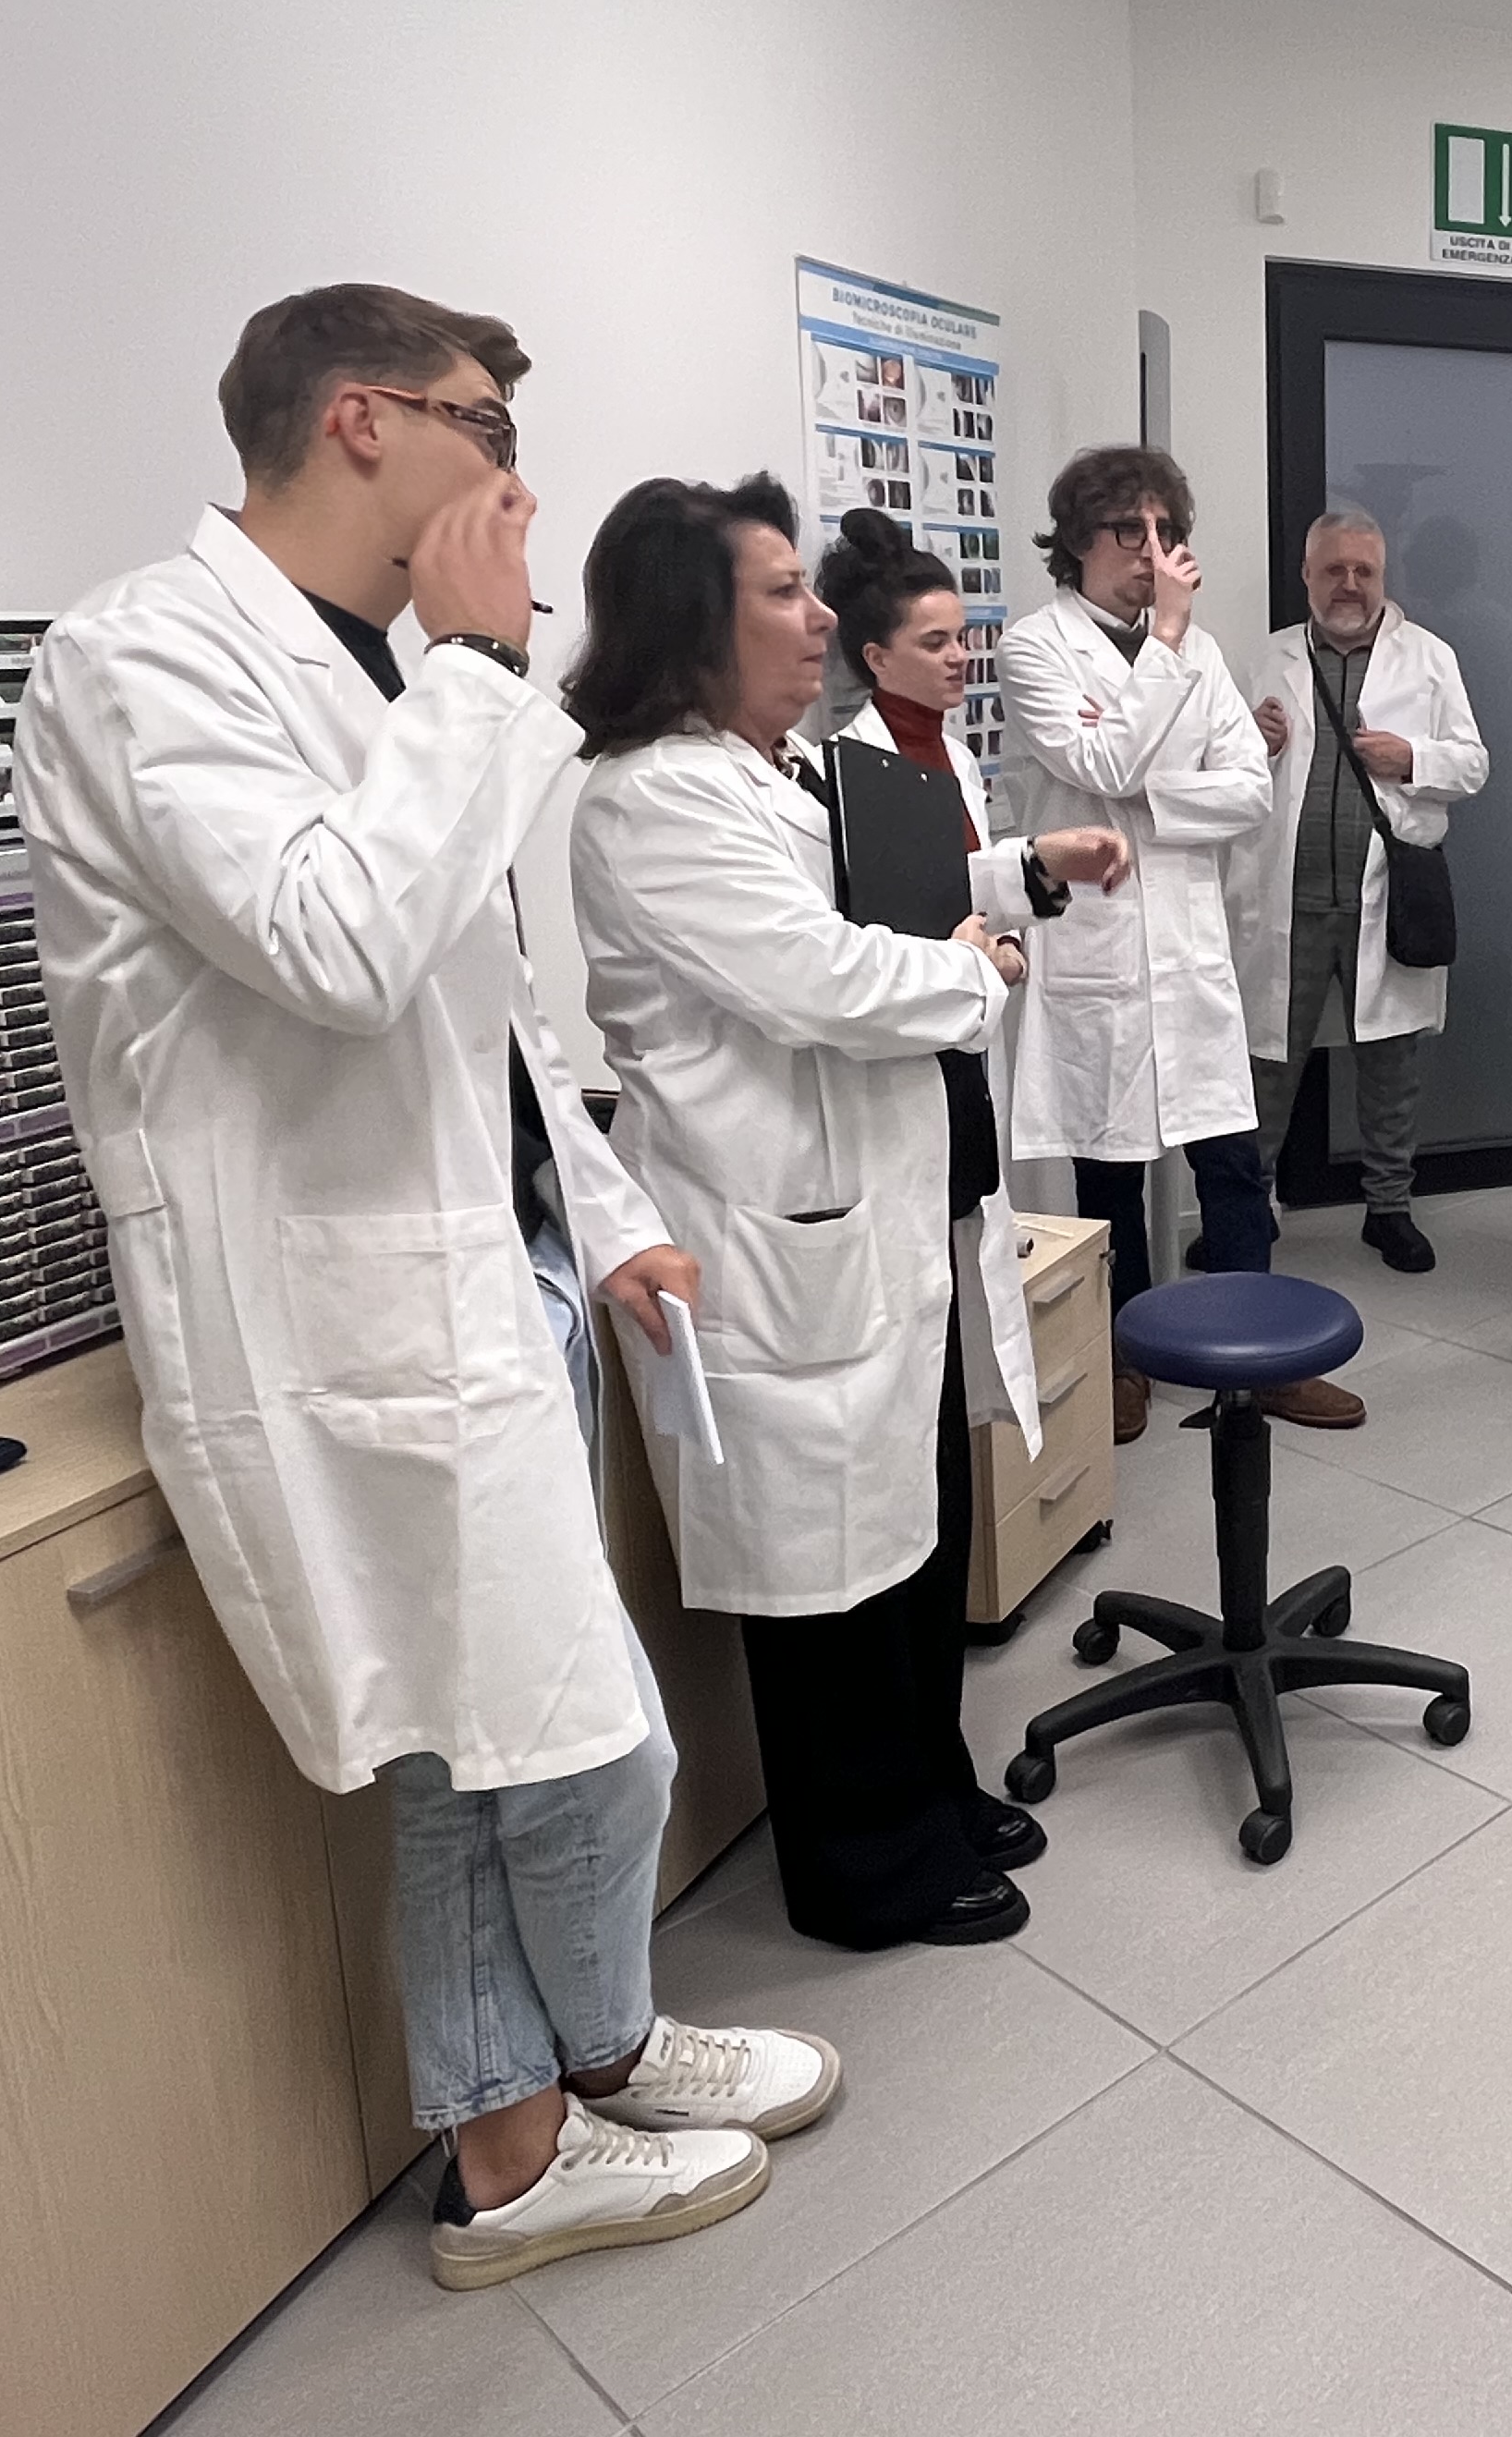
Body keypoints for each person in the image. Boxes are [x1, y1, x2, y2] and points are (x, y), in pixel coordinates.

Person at [19, 286, 833, 2295]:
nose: (515, 479)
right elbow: (337, 944)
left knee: (520, 1737)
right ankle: (523, 2145)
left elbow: (494, 1014)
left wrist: (606, 1210)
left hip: (484, 1272)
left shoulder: (372, 676)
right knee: (540, 1743)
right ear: (362, 421)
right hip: (333, 1323)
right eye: (487, 426)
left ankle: (582, 2068)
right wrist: (475, 668)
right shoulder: (139, 658)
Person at [563, 479, 1080, 1954]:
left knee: (907, 1541)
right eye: (784, 593)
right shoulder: (655, 797)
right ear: (691, 626)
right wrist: (977, 970)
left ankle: (931, 1789)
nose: (819, 619)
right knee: (828, 1583)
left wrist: (1002, 892)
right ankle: (864, 1870)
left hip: (871, 1222)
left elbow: (881, 903)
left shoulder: (780, 772)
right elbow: (826, 978)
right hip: (773, 1236)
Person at [998, 445, 1362, 1436]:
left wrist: (1144, 795)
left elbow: (1246, 792)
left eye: (1168, 533)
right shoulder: (1035, 648)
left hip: (1189, 948)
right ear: (1078, 541)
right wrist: (1160, 652)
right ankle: (1125, 1359)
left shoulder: (1198, 652)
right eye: (1131, 532)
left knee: (1232, 1160)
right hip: (1096, 944)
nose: (1154, 553)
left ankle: (1261, 1358)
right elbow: (1098, 763)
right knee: (1109, 1170)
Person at [1235, 504, 1491, 1276]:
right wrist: (1251, 741)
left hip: (1386, 897)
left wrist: (1412, 757)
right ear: (1307, 576)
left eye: (1364, 571)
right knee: (1267, 1063)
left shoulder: (1430, 658)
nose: (1348, 584)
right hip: (1290, 896)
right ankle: (1249, 1211)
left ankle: (1388, 1210)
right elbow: (1219, 766)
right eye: (1333, 570)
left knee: (1390, 1063)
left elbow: (1473, 764)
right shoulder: (1267, 657)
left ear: (1384, 576)